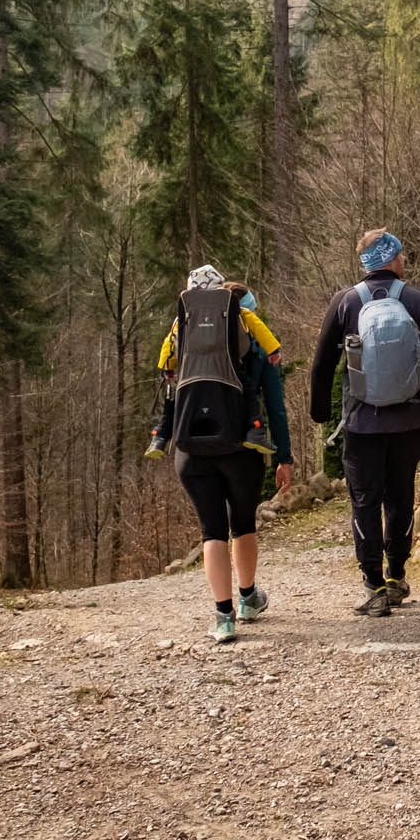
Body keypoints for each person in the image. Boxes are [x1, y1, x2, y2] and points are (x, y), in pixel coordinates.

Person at [309, 229, 420, 617]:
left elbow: (322, 365)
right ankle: (397, 576)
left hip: (361, 423)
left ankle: (372, 583)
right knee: (400, 499)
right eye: (401, 254)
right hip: (406, 421)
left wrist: (320, 412)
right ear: (392, 258)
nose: (404, 260)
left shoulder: (346, 301)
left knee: (365, 502)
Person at [159, 266, 294, 642]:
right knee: (243, 523)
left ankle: (223, 617)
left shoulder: (181, 335)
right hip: (241, 445)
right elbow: (276, 406)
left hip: (190, 447)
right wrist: (284, 456)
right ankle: (249, 598)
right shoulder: (250, 341)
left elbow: (168, 387)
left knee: (211, 531)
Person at [146, 265, 282, 459]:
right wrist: (273, 349)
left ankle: (160, 434)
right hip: (227, 371)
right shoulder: (235, 310)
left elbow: (169, 342)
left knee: (171, 395)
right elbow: (257, 326)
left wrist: (166, 369)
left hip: (190, 374)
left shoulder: (183, 318)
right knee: (249, 390)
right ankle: (255, 430)